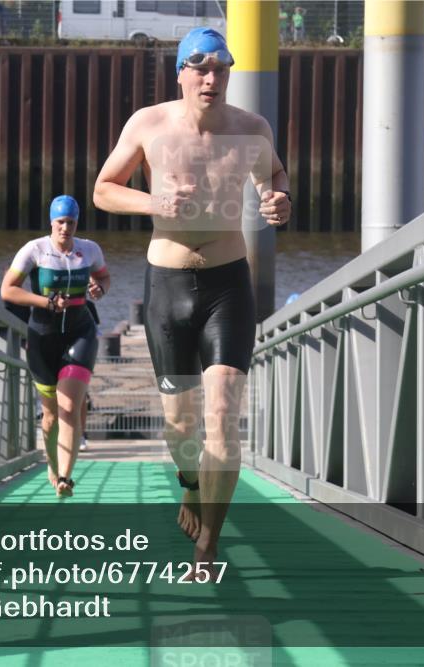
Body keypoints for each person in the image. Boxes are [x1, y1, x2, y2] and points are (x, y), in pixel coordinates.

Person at [92, 28, 290, 574]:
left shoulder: (252, 129)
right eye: (200, 67)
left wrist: (280, 198)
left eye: (221, 68)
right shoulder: (148, 123)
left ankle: (209, 543)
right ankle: (190, 482)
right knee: (180, 428)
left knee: (223, 416)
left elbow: (272, 172)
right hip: (168, 286)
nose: (211, 77)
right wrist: (154, 199)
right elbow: (104, 188)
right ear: (180, 72)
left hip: (229, 285)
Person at [0, 195, 110, 497]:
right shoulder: (35, 250)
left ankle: (64, 477)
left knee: (71, 405)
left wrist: (99, 288)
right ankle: (52, 464)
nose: (66, 228)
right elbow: (7, 290)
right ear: (52, 222)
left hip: (80, 333)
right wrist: (45, 302)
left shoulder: (88, 250)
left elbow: (103, 276)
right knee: (50, 416)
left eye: (71, 222)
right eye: (61, 222)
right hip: (43, 337)